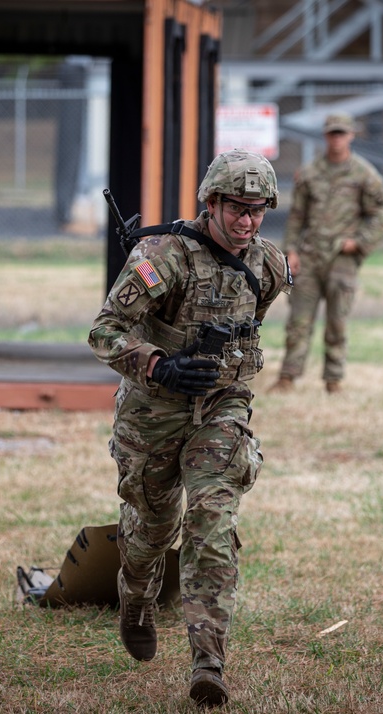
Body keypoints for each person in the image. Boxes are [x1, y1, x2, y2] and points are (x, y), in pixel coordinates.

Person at [88, 149, 291, 707]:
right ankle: (136, 596)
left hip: (222, 409)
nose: (247, 222)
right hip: (152, 412)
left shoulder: (269, 264)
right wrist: (158, 363)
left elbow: (251, 323)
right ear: (211, 203)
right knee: (152, 529)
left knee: (211, 522)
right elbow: (104, 332)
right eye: (237, 209)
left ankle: (209, 661)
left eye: (258, 211)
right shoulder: (163, 257)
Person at [268, 112, 383, 395]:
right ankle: (288, 377)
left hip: (341, 258)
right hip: (310, 256)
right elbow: (297, 217)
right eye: (332, 133)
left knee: (337, 321)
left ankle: (333, 380)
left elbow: (381, 215)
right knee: (298, 320)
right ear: (325, 136)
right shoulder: (309, 174)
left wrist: (358, 242)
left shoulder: (364, 174)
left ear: (351, 135)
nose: (336, 138)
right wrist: (291, 251)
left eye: (341, 133)